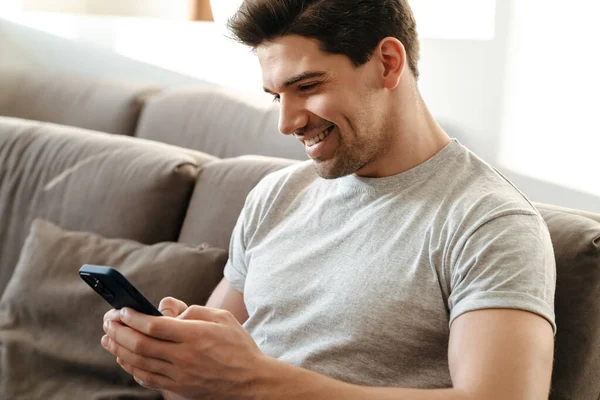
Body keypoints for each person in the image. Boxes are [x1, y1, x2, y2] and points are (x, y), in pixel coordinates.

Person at [102, 1, 557, 399]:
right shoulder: (276, 195)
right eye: (276, 95)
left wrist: (255, 381)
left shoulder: (489, 221)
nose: (286, 122)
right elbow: (206, 386)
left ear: (387, 62)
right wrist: (169, 360)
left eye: (307, 86)